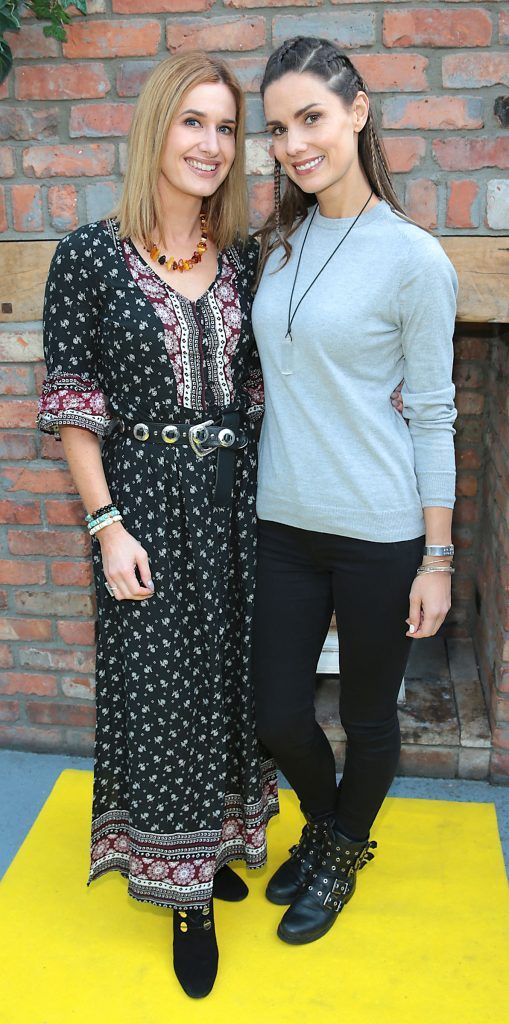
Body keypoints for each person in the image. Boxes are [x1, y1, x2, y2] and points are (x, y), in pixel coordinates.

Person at [37, 52, 278, 999]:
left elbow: (269, 388)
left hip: (236, 507)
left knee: (229, 688)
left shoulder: (248, 260)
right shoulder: (89, 257)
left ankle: (215, 841)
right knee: (163, 696)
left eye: (225, 128)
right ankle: (185, 897)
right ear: (153, 132)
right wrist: (105, 525)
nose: (210, 145)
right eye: (192, 123)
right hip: (140, 510)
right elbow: (72, 402)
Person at [251, 37, 457, 947]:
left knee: (369, 716)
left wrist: (437, 556)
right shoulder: (280, 243)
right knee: (277, 715)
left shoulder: (413, 259)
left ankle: (337, 854)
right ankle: (330, 826)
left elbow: (435, 417)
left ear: (357, 112)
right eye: (277, 129)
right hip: (283, 524)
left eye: (311, 119)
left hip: (379, 532)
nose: (294, 144)